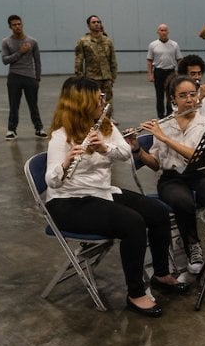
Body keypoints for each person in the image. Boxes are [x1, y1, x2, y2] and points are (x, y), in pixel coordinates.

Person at [45, 77, 188, 318]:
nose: (104, 100)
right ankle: (135, 293)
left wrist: (104, 148)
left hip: (102, 193)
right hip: (68, 201)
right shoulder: (61, 135)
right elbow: (51, 180)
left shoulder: (105, 127)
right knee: (132, 223)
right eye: (99, 97)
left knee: (158, 212)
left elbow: (124, 153)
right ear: (83, 102)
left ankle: (161, 273)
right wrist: (67, 161)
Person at [135, 75, 205, 285]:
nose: (189, 100)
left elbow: (196, 156)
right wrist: (138, 150)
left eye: (193, 94)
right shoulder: (163, 124)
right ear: (173, 99)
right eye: (183, 96)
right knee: (182, 202)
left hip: (197, 173)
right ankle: (193, 248)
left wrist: (165, 137)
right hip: (171, 178)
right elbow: (156, 163)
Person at [1, 14, 46, 141]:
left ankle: (39, 128)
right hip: (14, 76)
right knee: (14, 104)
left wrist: (37, 77)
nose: (17, 27)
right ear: (10, 27)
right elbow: (5, 60)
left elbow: (37, 61)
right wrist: (20, 51)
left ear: (22, 24)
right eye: (14, 25)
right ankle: (11, 129)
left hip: (30, 77)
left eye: (19, 24)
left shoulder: (32, 42)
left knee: (33, 104)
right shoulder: (6, 42)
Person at [75, 15, 118, 116]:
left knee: (107, 102)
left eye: (98, 22)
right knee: (92, 102)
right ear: (88, 25)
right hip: (91, 78)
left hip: (106, 77)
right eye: (93, 22)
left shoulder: (107, 41)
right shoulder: (83, 41)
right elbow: (79, 61)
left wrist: (113, 76)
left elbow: (113, 60)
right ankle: (93, 124)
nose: (96, 24)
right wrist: (80, 78)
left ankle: (107, 122)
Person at [146, 23, 182, 118]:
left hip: (171, 72)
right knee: (159, 95)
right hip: (158, 72)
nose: (163, 32)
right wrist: (150, 74)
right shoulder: (153, 45)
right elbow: (149, 60)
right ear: (158, 32)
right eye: (161, 30)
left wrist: (180, 72)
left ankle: (170, 113)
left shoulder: (174, 45)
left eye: (165, 30)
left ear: (168, 32)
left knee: (170, 94)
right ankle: (161, 115)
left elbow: (179, 60)